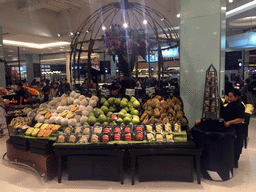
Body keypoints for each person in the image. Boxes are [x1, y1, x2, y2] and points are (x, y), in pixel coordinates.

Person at [221, 89, 245, 168]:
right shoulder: (230, 103)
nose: (229, 98)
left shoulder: (239, 106)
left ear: (237, 96)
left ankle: (234, 162)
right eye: (228, 96)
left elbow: (241, 119)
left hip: (236, 129)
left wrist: (230, 122)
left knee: (236, 146)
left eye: (231, 97)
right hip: (229, 128)